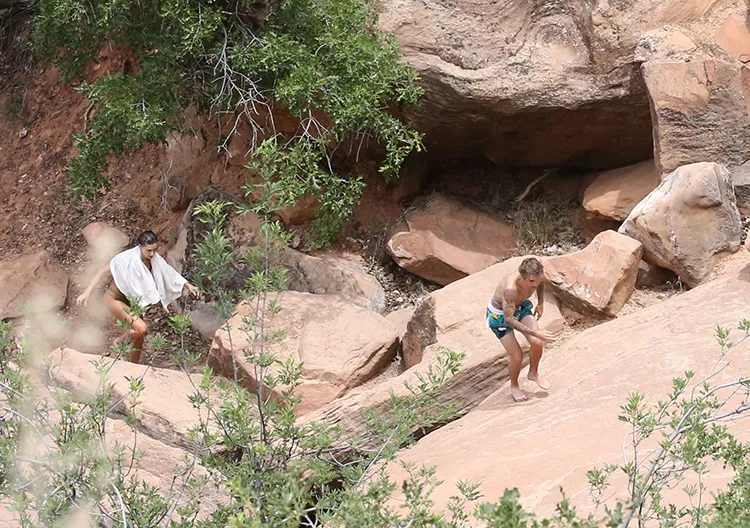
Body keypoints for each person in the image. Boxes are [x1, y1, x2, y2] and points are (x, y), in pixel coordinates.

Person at [76, 230, 198, 363]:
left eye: (155, 249)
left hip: (134, 302)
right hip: (115, 299)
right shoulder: (126, 259)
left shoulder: (155, 259)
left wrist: (187, 284)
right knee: (142, 328)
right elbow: (103, 271)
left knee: (140, 335)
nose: (152, 254)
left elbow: (168, 271)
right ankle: (123, 348)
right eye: (149, 250)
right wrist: (87, 292)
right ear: (140, 247)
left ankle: (131, 359)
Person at [486, 257, 562, 402]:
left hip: (520, 307)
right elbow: (508, 319)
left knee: (537, 342)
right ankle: (514, 386)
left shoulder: (538, 277)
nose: (534, 285)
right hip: (500, 315)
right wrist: (535, 332)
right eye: (531, 281)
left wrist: (540, 303)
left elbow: (541, 283)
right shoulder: (510, 289)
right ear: (522, 276)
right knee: (517, 356)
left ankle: (533, 373)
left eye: (537, 280)